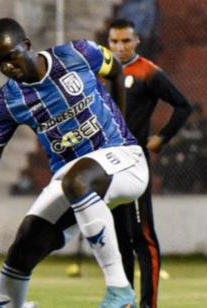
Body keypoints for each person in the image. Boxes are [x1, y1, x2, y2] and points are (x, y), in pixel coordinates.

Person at [0, 18, 149, 308]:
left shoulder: (78, 53)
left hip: (124, 160)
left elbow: (117, 71)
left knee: (76, 180)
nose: (7, 67)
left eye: (11, 57)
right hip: (72, 179)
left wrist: (121, 122)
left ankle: (120, 291)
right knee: (23, 248)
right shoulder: (9, 100)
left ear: (28, 45)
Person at [108, 18, 192, 308]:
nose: (120, 47)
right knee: (118, 240)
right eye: (115, 42)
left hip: (133, 164)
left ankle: (149, 304)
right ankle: (124, 301)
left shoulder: (147, 71)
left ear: (136, 42)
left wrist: (163, 137)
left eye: (126, 41)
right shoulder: (102, 73)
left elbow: (183, 105)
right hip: (107, 165)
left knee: (142, 237)